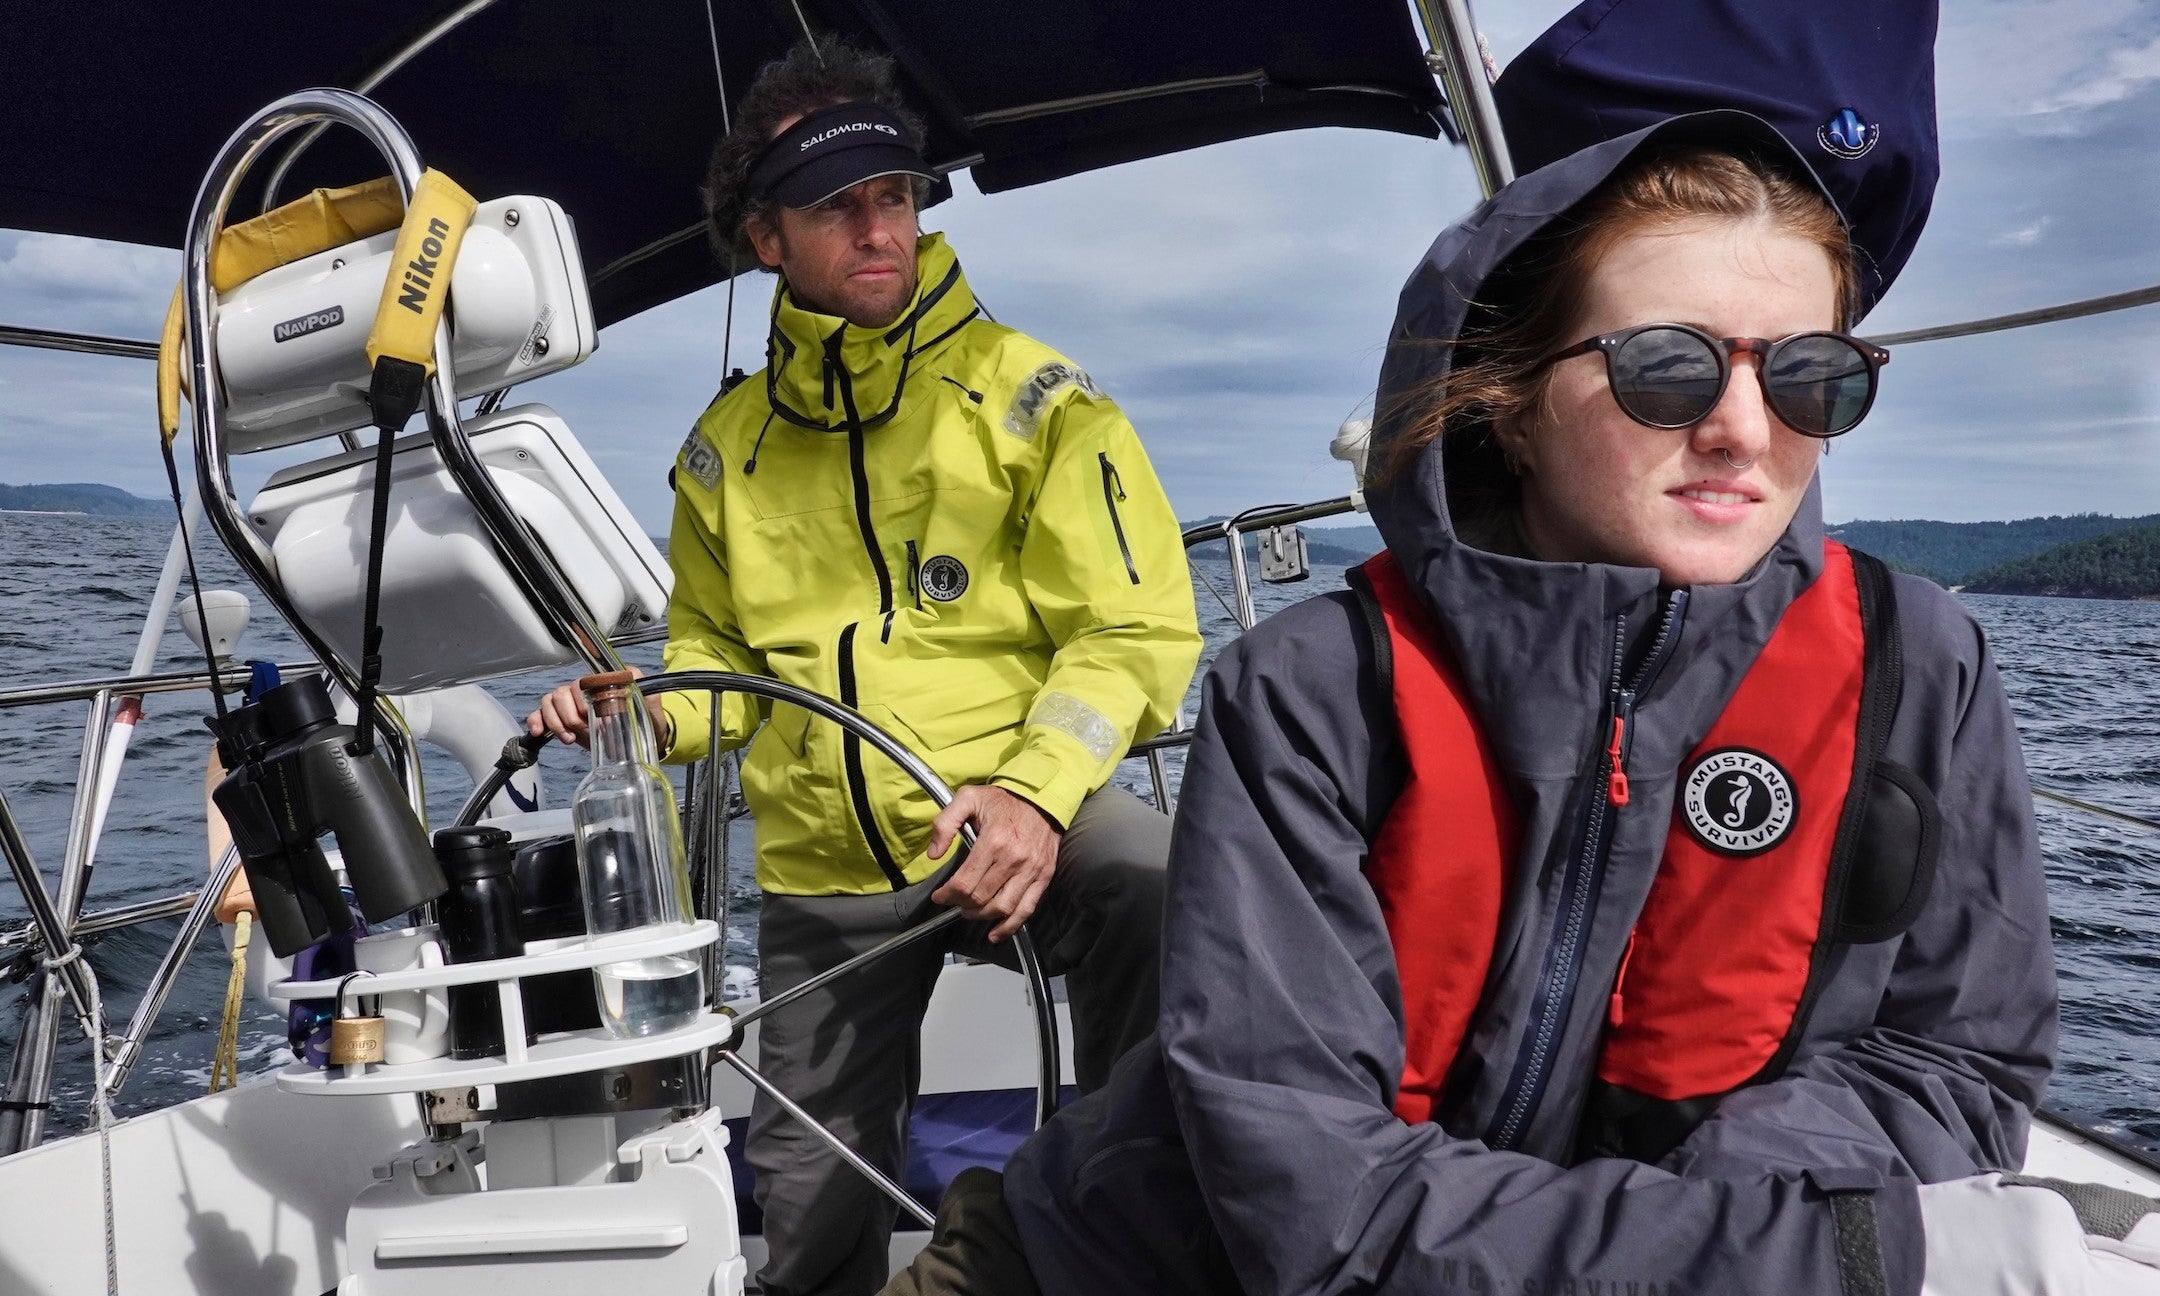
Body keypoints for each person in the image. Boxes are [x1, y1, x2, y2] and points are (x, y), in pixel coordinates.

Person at [879, 103, 2160, 1296]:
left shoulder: (1920, 665)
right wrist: (1805, 1256)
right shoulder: (1313, 691)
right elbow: (1315, 1213)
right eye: (1670, 365)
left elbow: (1956, 1058)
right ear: (1513, 400)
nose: (1743, 428)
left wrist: (1692, 1235)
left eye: (1809, 375)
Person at [528, 40, 1201, 1296]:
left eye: (893, 195)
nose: (879, 227)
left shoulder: (1036, 400)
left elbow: (1133, 630)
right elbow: (714, 661)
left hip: (1008, 806)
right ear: (766, 237)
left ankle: (1118, 1236)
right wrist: (638, 715)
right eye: (837, 206)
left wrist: (1036, 794)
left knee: (1164, 890)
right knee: (809, 1201)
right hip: (828, 856)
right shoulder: (721, 452)